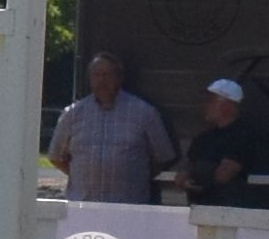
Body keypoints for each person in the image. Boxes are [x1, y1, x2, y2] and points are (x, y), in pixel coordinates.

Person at [48, 52, 175, 204]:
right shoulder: (73, 114)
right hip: (83, 206)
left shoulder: (145, 113)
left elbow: (164, 156)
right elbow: (56, 157)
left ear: (119, 78)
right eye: (97, 75)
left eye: (107, 75)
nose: (102, 80)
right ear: (90, 79)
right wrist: (82, 174)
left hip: (129, 207)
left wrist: (135, 174)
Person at [181, 77, 269, 206]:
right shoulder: (202, 138)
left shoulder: (245, 136)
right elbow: (185, 169)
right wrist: (184, 178)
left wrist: (199, 179)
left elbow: (225, 174)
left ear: (229, 104)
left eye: (211, 101)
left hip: (233, 212)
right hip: (198, 209)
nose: (205, 105)